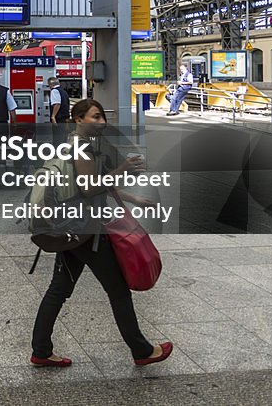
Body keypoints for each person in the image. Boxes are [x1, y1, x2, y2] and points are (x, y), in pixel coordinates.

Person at [31, 98, 173, 368]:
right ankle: (142, 350)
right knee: (118, 291)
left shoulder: (73, 145)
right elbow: (89, 187)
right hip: (86, 231)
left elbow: (98, 184)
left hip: (70, 230)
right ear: (78, 119)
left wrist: (134, 199)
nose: (101, 122)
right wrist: (123, 170)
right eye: (95, 117)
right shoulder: (81, 149)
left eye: (102, 117)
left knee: (58, 290)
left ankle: (41, 350)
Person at [48, 76, 70, 144]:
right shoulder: (64, 91)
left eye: (49, 85)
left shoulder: (54, 91)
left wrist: (53, 116)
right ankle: (62, 152)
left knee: (57, 138)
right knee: (63, 137)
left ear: (51, 85)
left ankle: (57, 152)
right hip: (64, 118)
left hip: (59, 118)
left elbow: (57, 103)